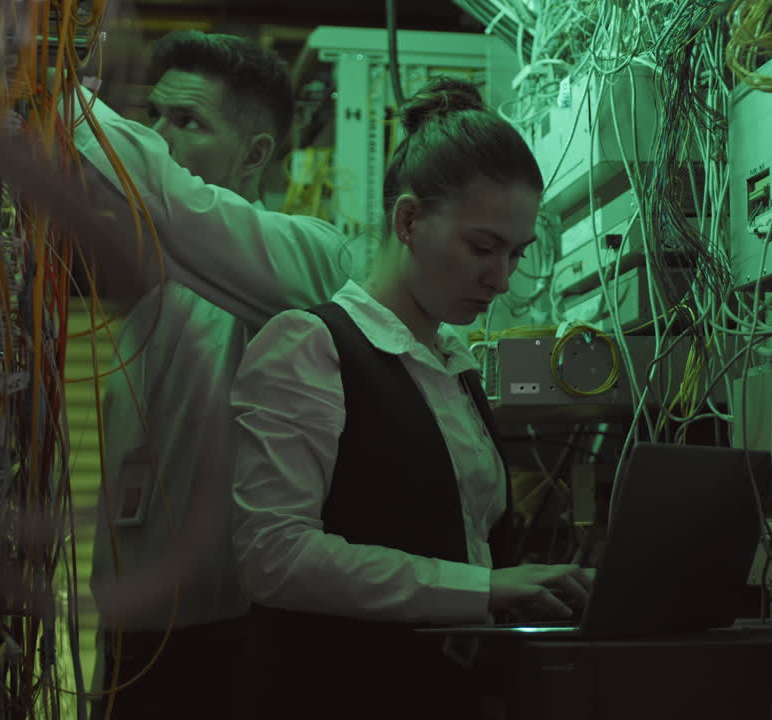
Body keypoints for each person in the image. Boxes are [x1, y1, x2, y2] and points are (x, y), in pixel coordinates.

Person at [229, 77, 595, 720]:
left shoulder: (453, 366)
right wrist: (481, 588)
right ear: (408, 219)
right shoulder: (311, 347)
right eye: (483, 248)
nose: (501, 278)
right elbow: (274, 555)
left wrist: (518, 591)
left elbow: (460, 544)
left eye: (515, 253)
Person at [72, 31, 351, 718]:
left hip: (231, 649)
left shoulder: (309, 260)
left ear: (256, 154)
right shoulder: (158, 299)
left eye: (188, 121)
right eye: (156, 116)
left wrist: (61, 99)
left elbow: (174, 205)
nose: (160, 137)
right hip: (127, 648)